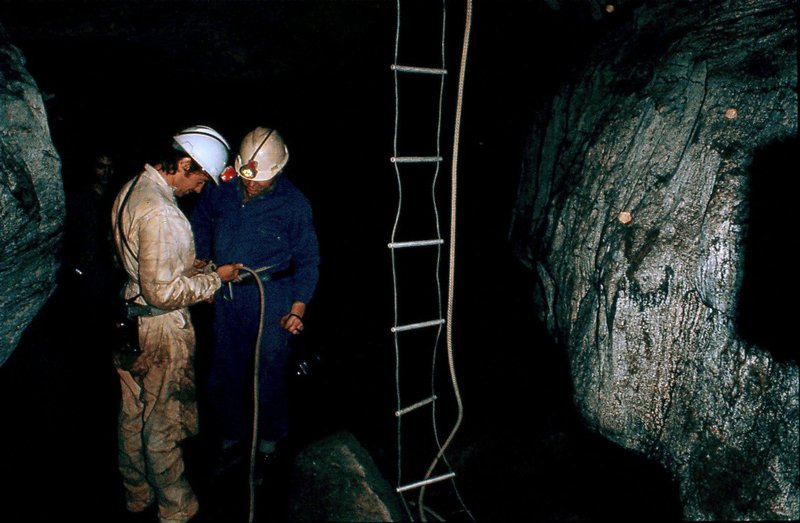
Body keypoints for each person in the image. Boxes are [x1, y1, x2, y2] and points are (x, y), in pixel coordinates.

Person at [110, 125, 244, 523]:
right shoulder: (163, 211)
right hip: (158, 328)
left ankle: (137, 493)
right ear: (183, 164)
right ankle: (176, 506)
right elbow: (162, 294)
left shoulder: (134, 187)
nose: (200, 190)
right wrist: (214, 279)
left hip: (128, 315)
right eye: (199, 179)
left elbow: (143, 264)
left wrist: (189, 267)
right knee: (163, 420)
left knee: (132, 414)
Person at [190, 127, 320, 474]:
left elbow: (308, 259)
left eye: (260, 180)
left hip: (273, 297)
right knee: (224, 370)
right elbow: (200, 219)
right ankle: (231, 438)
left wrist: (297, 308)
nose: (252, 184)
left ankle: (269, 442)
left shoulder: (294, 204)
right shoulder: (223, 191)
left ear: (277, 170)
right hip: (228, 295)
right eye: (248, 177)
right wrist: (202, 263)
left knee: (269, 372)